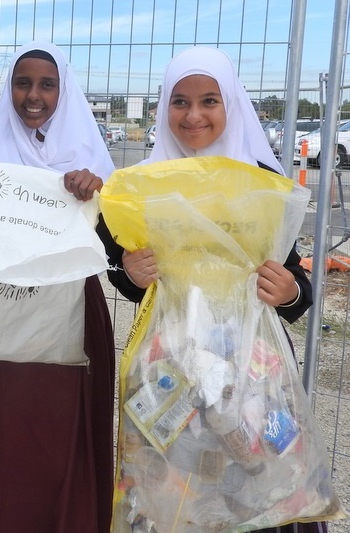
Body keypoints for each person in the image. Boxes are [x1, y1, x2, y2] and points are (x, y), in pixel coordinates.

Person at [98, 46, 324, 533]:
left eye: (209, 100)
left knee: (256, 475)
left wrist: (288, 292)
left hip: (251, 363)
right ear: (164, 108)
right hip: (168, 362)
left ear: (232, 105)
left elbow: (296, 284)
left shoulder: (262, 184)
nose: (193, 114)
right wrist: (127, 271)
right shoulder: (144, 186)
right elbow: (124, 269)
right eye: (179, 101)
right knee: (175, 484)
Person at [0, 41, 116, 533]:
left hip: (74, 311)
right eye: (22, 83)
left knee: (66, 433)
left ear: (63, 90)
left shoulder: (90, 157)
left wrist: (94, 196)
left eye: (46, 84)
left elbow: (116, 246)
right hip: (9, 314)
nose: (34, 96)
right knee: (9, 434)